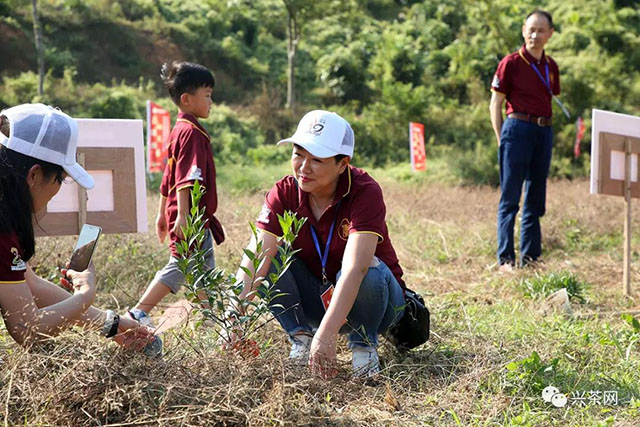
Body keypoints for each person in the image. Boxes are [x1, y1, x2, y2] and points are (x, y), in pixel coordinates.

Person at [229, 110, 406, 378]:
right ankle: (301, 339)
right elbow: (258, 252)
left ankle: (364, 345)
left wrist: (326, 334)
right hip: (319, 299)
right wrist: (233, 318)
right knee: (269, 258)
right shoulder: (286, 191)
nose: (303, 167)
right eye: (298, 154)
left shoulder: (364, 191)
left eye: (317, 159)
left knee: (368, 266)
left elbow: (355, 268)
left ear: (343, 164)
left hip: (377, 303)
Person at [0, 103, 158, 353]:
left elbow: (30, 285)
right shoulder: (2, 231)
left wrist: (112, 324)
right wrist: (83, 296)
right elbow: (28, 328)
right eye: (60, 179)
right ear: (34, 175)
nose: (59, 188)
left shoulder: (6, 219)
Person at [127, 61, 224, 325]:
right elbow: (185, 179)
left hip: (191, 216)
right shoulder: (191, 133)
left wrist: (162, 214)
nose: (211, 101)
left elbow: (167, 180)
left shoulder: (178, 130)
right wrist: (182, 215)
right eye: (207, 96)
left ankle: (211, 320)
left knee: (203, 269)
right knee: (180, 266)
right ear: (187, 99)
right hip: (190, 217)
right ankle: (138, 312)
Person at [489, 10, 560, 272]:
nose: (535, 35)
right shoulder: (511, 63)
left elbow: (548, 99)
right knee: (510, 198)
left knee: (536, 197)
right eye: (531, 29)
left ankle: (531, 258)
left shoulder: (551, 66)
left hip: (544, 130)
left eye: (541, 30)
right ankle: (505, 259)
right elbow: (495, 103)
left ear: (550, 34)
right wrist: (501, 137)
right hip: (516, 128)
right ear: (523, 30)